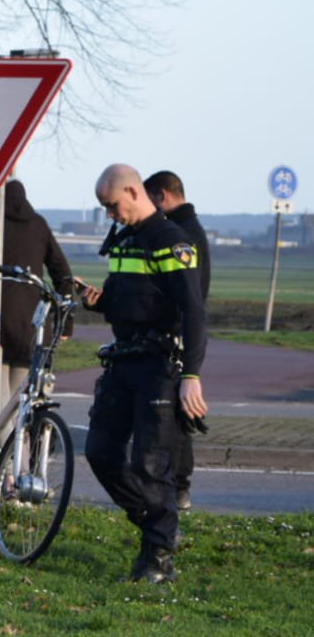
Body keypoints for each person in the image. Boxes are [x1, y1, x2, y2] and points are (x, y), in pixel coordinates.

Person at [79, 164, 207, 584]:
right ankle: (159, 528)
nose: (109, 215)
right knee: (100, 452)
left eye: (112, 206)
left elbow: (193, 311)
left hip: (159, 366)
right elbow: (125, 298)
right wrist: (98, 302)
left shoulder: (172, 242)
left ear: (134, 192)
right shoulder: (125, 241)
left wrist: (192, 375)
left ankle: (157, 560)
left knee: (151, 465)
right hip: (123, 360)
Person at [143, 169, 212, 514]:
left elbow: (190, 298)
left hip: (179, 335)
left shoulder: (181, 234)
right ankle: (177, 487)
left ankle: (179, 488)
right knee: (178, 417)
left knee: (178, 420)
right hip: (184, 332)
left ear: (162, 196)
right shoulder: (191, 228)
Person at [0, 179, 75, 394]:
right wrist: (65, 323)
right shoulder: (38, 224)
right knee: (18, 399)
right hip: (32, 323)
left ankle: (1, 428)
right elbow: (62, 272)